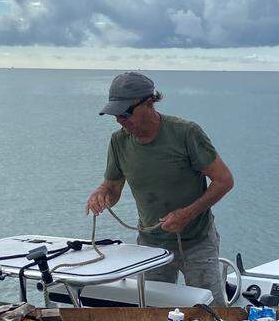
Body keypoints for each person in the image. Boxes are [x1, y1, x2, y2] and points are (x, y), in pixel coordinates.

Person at [85, 72, 234, 305]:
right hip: (151, 245)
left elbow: (224, 180)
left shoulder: (185, 133)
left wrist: (188, 214)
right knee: (153, 312)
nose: (120, 121)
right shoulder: (119, 142)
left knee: (211, 311)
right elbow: (113, 188)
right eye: (116, 114)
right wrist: (101, 195)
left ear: (148, 102)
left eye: (125, 113)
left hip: (197, 242)